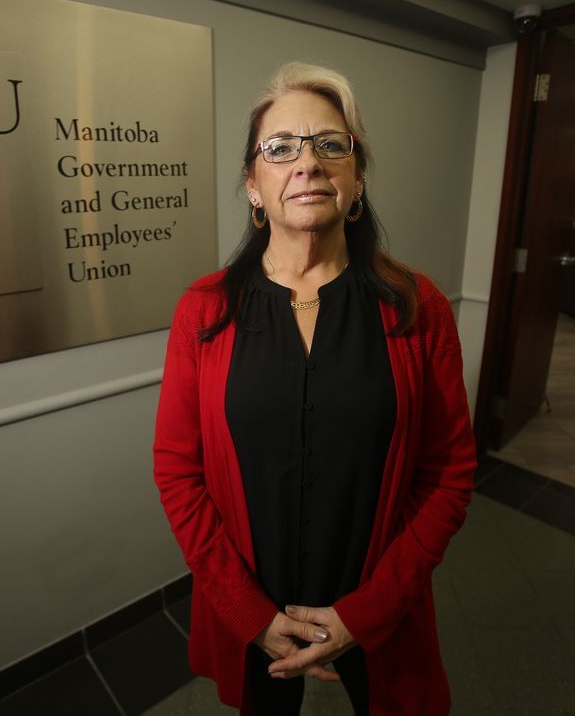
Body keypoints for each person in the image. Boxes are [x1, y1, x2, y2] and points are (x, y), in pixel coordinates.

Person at [153, 62, 477, 715]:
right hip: (248, 603)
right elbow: (177, 473)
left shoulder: (419, 307)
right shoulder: (204, 310)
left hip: (379, 602)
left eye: (332, 144)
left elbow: (449, 473)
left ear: (357, 180)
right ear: (254, 184)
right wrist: (250, 615)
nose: (308, 162)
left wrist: (369, 612)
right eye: (280, 148)